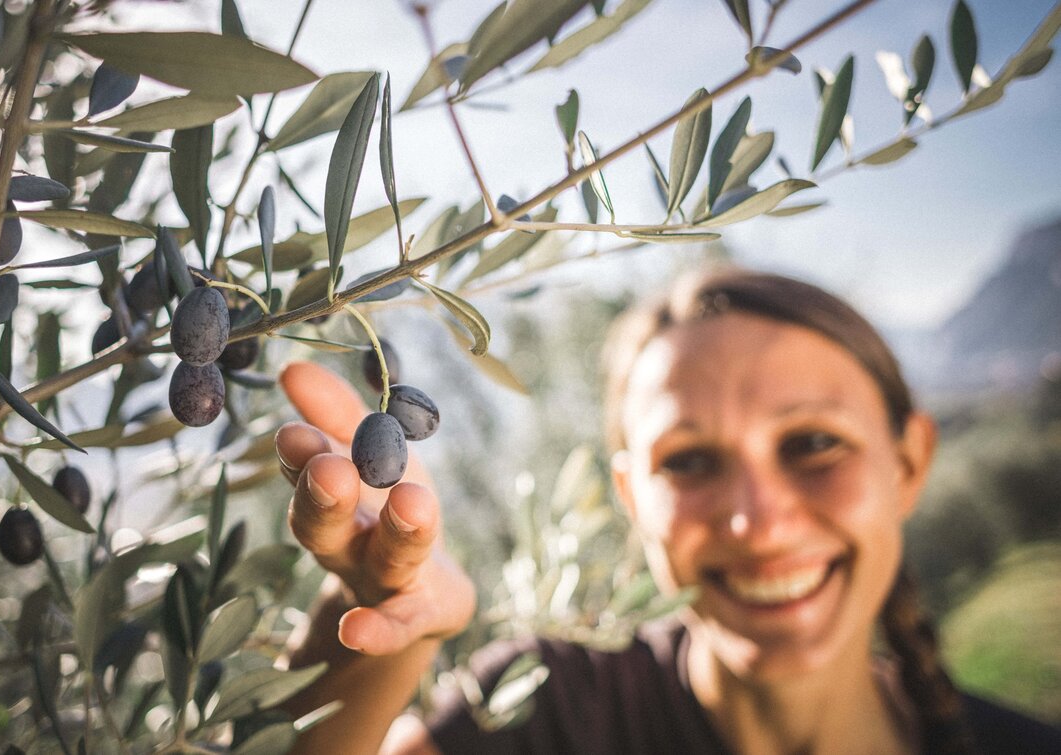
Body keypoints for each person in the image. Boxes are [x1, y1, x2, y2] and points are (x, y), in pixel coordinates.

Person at [272, 269, 1061, 754]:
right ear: (630, 498)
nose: (756, 520)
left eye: (813, 442)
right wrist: (376, 619)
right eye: (687, 460)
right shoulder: (551, 710)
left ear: (909, 461)